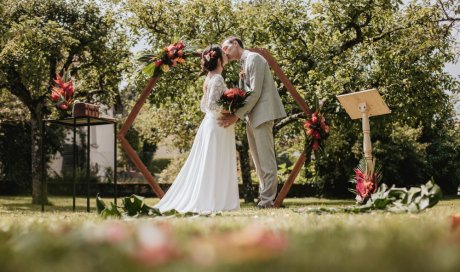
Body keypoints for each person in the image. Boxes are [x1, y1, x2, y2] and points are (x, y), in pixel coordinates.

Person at [154, 45, 240, 213]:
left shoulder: (210, 77)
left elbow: (203, 106)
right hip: (217, 125)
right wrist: (232, 109)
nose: (226, 54)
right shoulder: (217, 79)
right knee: (214, 163)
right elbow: (211, 105)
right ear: (218, 58)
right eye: (223, 53)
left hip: (211, 124)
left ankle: (216, 200)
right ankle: (213, 201)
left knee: (211, 163)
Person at [219, 36, 286, 209]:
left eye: (225, 48)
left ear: (235, 44)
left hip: (262, 114)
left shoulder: (254, 58)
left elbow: (255, 93)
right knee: (258, 162)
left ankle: (267, 201)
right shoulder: (243, 63)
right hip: (251, 117)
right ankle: (264, 199)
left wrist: (236, 115)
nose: (224, 52)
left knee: (266, 161)